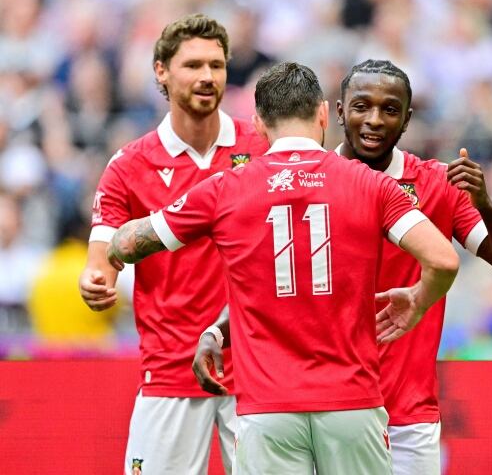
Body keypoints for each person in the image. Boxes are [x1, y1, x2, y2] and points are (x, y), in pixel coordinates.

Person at [106, 61, 460, 474]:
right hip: (354, 404)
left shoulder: (225, 189)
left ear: (257, 124)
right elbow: (442, 259)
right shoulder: (369, 183)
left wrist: (112, 246)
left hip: (267, 409)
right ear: (325, 114)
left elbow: (129, 243)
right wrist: (418, 301)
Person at [193, 59, 492, 475]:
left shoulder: (436, 185)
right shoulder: (295, 182)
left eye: (390, 110)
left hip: (407, 414)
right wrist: (216, 330)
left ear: (407, 120)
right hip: (319, 410)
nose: (374, 120)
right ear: (336, 111)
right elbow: (267, 284)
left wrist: (485, 205)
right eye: (361, 107)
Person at [77, 13, 268, 475]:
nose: (207, 77)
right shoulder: (129, 166)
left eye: (217, 66)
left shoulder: (261, 148)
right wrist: (95, 282)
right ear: (161, 70)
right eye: (193, 65)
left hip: (259, 367)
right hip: (170, 368)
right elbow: (100, 258)